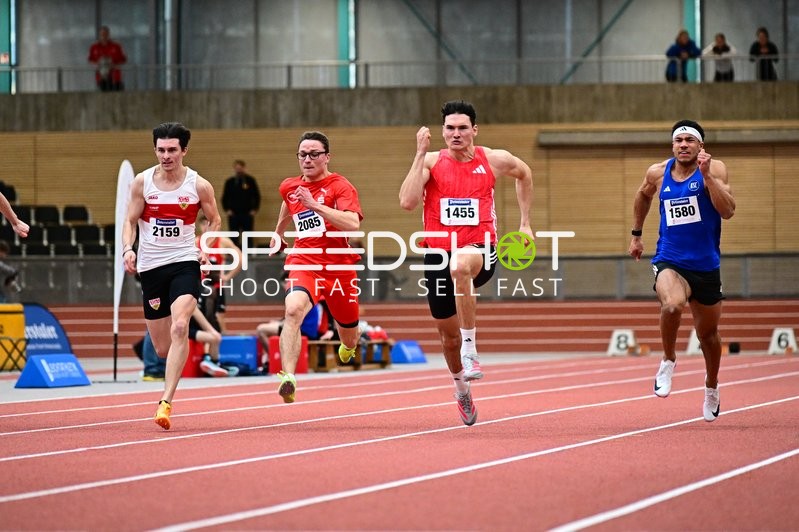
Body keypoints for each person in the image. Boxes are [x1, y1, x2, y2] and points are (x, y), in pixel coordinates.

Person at [399, 100, 533, 426]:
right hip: (437, 253)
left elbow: (525, 173)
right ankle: (461, 388)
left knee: (459, 265)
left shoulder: (494, 159)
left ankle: (471, 351)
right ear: (442, 131)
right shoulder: (431, 161)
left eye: (462, 128)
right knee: (447, 339)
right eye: (449, 128)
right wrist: (419, 154)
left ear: (474, 129)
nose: (455, 134)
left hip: (479, 249)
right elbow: (407, 202)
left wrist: (525, 222)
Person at [628, 120, 735, 423]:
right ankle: (668, 359)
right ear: (672, 145)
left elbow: (727, 210)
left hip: (706, 265)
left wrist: (706, 178)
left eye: (690, 140)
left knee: (709, 336)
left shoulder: (715, 170)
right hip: (670, 259)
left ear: (701, 146)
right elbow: (643, 194)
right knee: (672, 304)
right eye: (679, 140)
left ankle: (711, 386)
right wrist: (636, 234)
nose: (684, 145)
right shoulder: (658, 172)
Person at [122, 122, 222, 430]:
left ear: (184, 150)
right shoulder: (142, 183)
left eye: (172, 150)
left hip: (184, 262)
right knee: (163, 347)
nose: (166, 156)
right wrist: (128, 248)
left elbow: (214, 220)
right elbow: (129, 219)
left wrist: (204, 245)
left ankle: (166, 401)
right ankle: (168, 376)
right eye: (161, 150)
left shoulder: (198, 185)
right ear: (155, 150)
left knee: (181, 325)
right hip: (151, 267)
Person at [269, 131, 363, 403]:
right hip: (304, 261)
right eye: (302, 154)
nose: (307, 159)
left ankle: (348, 345)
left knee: (349, 335)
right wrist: (278, 233)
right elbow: (288, 206)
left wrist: (315, 206)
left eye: (314, 154)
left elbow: (352, 224)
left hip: (339, 268)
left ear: (327, 157)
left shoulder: (340, 186)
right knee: (293, 309)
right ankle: (288, 376)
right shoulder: (289, 186)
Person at [196, 211, 242, 332]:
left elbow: (240, 258)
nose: (206, 227)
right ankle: (205, 349)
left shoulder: (222, 242)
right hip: (201, 287)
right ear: (200, 227)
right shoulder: (196, 242)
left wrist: (227, 276)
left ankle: (223, 347)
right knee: (201, 319)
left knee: (218, 317)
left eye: (208, 224)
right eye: (203, 224)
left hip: (217, 286)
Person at [221, 159, 261, 246]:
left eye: (240, 168)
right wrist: (227, 209)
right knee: (234, 235)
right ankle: (234, 253)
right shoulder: (230, 182)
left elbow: (257, 196)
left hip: (247, 213)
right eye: (237, 168)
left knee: (248, 234)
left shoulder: (250, 181)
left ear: (244, 168)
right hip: (233, 214)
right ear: (234, 169)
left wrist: (254, 209)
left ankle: (249, 254)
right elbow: (224, 197)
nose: (238, 170)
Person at [87, 26, 127, 91]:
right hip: (101, 78)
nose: (103, 36)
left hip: (115, 78)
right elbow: (90, 60)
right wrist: (99, 64)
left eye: (105, 34)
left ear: (108, 35)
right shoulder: (94, 47)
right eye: (102, 34)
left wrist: (114, 65)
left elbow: (123, 60)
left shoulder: (116, 46)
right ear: (99, 35)